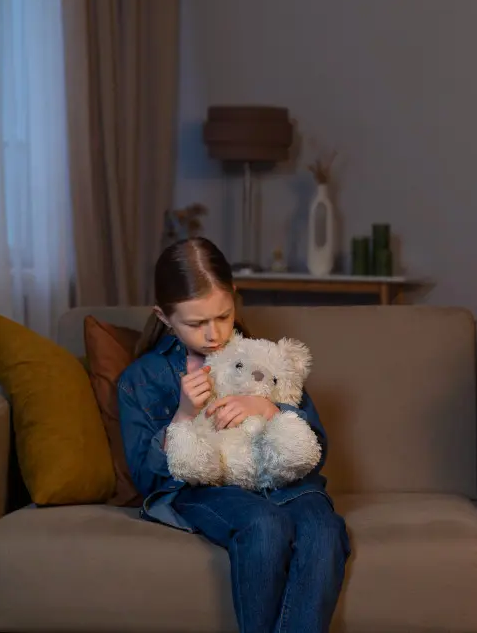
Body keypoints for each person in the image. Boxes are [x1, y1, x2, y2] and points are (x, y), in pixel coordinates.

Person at [117, 236, 350, 633]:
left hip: (287, 486)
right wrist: (185, 415)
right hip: (206, 491)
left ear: (235, 299)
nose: (214, 335)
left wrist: (270, 409)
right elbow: (146, 476)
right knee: (263, 525)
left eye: (223, 316)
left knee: (325, 529)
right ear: (164, 317)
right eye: (195, 323)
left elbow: (316, 447)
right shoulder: (142, 379)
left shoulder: (262, 358)